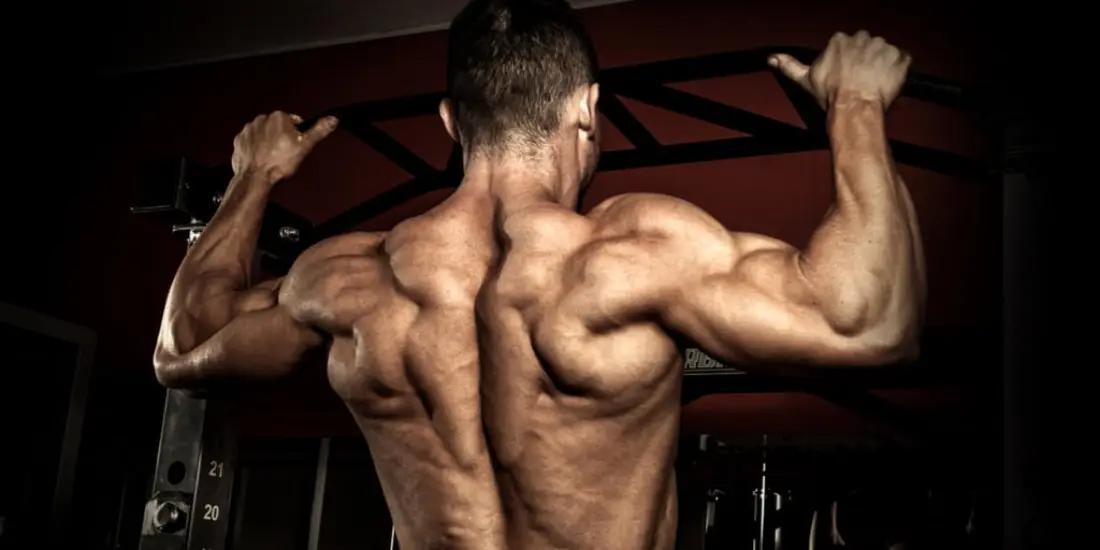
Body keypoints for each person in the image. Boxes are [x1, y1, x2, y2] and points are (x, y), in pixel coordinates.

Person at [153, 1, 925, 549]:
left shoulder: (352, 276)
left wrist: (253, 177)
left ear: (451, 122)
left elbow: (184, 350)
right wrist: (855, 105)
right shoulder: (626, 254)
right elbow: (871, 323)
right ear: (589, 109)